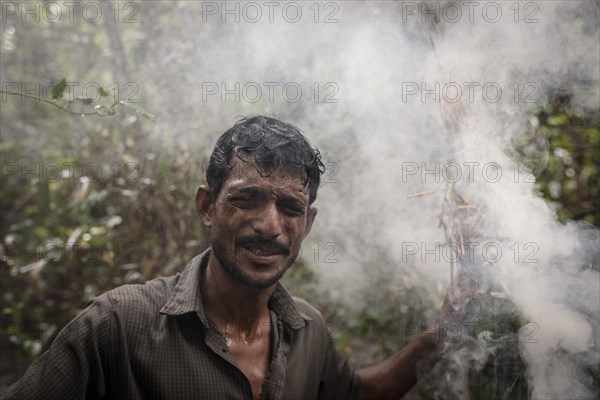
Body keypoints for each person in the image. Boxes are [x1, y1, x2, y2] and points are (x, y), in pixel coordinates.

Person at [2, 116, 447, 400]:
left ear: (307, 224)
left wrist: (439, 336)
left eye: (289, 208)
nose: (270, 225)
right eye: (248, 198)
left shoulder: (307, 330)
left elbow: (355, 395)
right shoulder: (118, 324)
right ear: (207, 207)